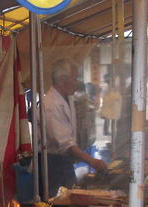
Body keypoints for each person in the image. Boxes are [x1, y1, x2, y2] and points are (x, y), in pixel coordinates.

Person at [42, 59, 107, 194]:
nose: (77, 83)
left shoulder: (66, 97)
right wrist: (92, 161)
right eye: (74, 78)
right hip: (52, 165)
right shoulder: (50, 105)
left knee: (70, 196)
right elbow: (66, 144)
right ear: (61, 80)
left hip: (64, 163)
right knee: (58, 204)